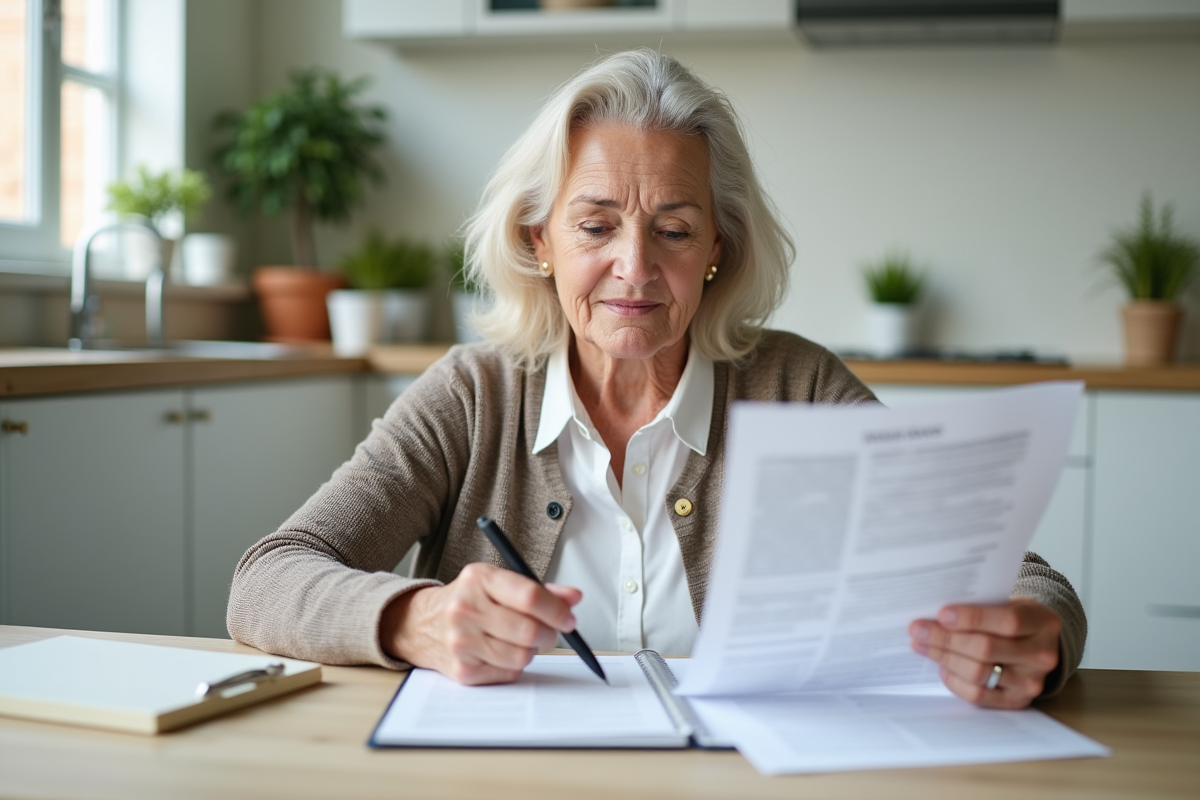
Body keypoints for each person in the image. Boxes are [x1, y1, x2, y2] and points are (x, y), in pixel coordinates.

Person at [228, 49, 1083, 710]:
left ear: (719, 249)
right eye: (595, 226)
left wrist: (1034, 634)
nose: (632, 268)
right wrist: (414, 618)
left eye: (673, 230)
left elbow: (1024, 581)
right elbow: (267, 578)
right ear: (539, 240)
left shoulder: (798, 386)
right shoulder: (473, 392)